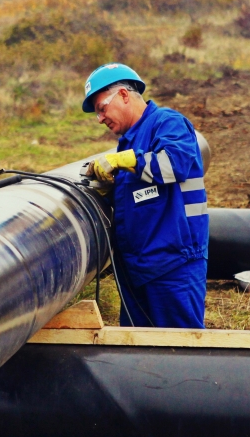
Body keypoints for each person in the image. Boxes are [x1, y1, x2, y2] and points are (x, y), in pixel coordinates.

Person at [81, 63, 208, 328]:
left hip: (173, 264)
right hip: (138, 268)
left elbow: (176, 164)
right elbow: (142, 197)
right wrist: (109, 191)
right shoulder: (129, 141)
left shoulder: (167, 122)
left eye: (102, 109)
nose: (100, 119)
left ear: (124, 96)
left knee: (181, 349)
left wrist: (126, 160)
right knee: (139, 354)